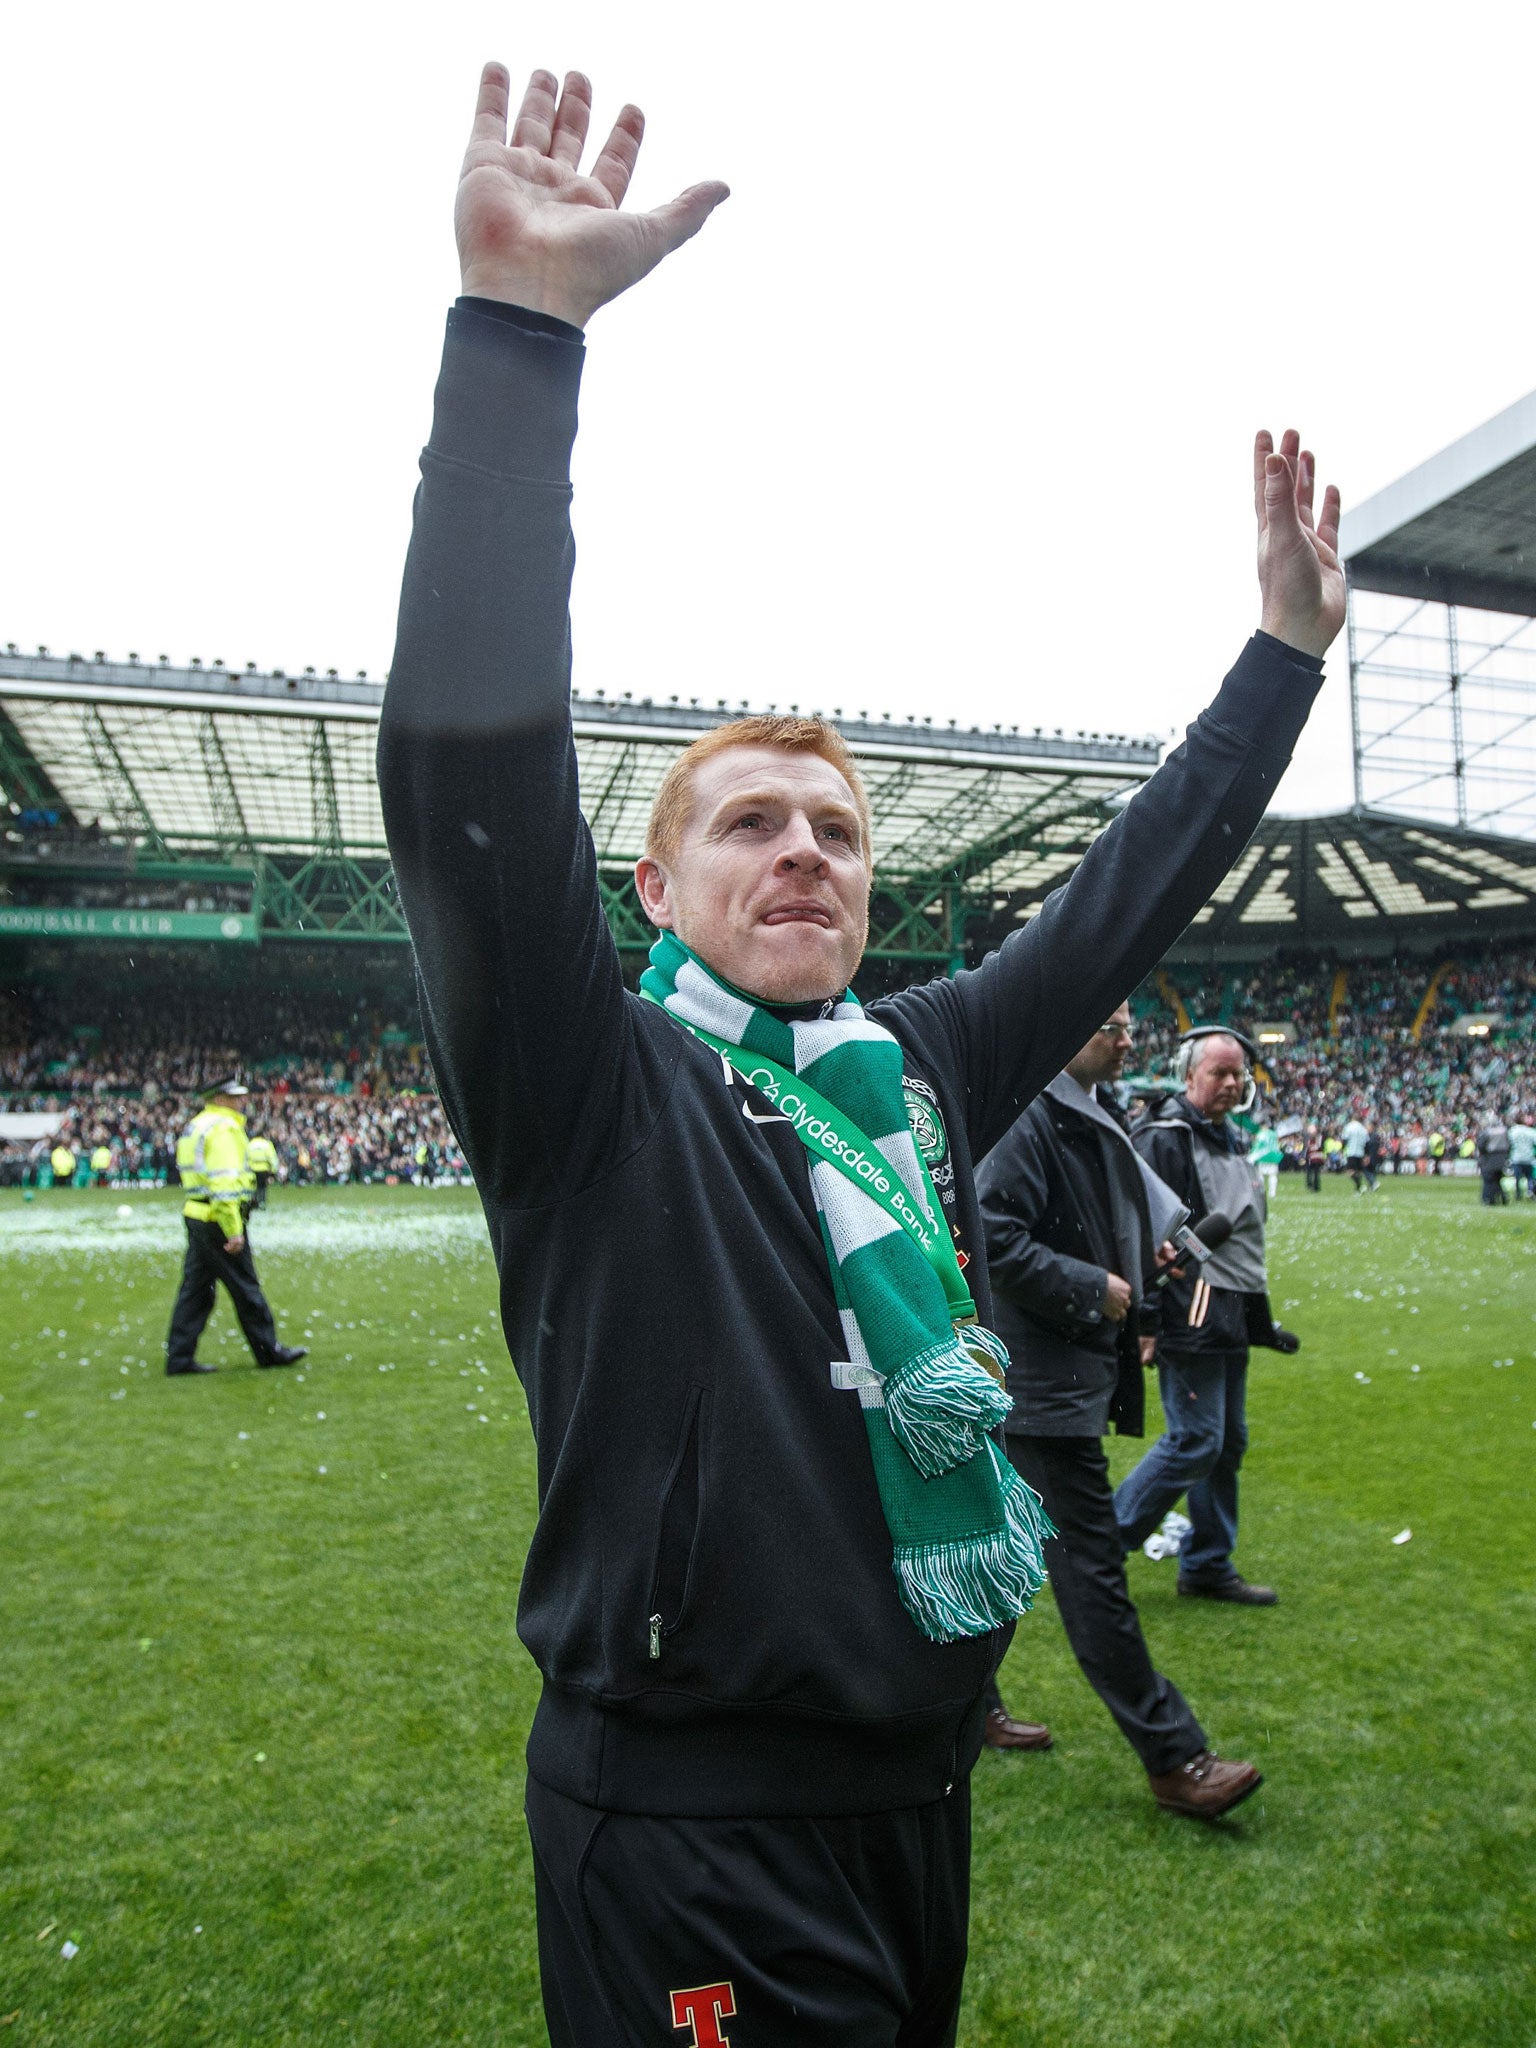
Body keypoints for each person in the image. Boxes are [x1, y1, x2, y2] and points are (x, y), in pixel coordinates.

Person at [376, 61, 1342, 2044]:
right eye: (749, 823)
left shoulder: (913, 1066)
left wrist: (1281, 658)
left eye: (834, 830)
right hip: (688, 1812)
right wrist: (517, 341)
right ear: (652, 889)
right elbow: (465, 775)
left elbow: (1123, 901)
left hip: (914, 1788)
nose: (803, 849)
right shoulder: (587, 1078)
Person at [977, 1005, 1261, 1819]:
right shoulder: (1030, 1112)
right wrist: (1094, 1288)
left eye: (1131, 1022)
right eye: (1107, 1019)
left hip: (1047, 1374)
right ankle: (1175, 1757)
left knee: (1005, 1551)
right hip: (1038, 1381)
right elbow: (992, 1232)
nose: (1126, 1034)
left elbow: (1085, 1225)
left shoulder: (1086, 1107)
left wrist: (1141, 1259)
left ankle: (967, 1707)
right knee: (1093, 1570)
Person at [1114, 1029, 1299, 1606]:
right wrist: (1146, 1319)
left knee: (1228, 1441)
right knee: (1197, 1439)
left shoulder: (1232, 1137)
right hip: (1189, 1304)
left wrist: (1261, 1323)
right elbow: (1141, 1235)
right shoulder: (1164, 1137)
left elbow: (1238, 1233)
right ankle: (1099, 1544)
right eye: (1219, 1072)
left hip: (1232, 1308)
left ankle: (1207, 1563)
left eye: (1239, 1073)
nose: (1232, 1083)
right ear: (1188, 1075)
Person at [164, 1079, 308, 1377]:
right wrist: (233, 1229)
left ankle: (178, 1358)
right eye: (236, 1097)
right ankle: (269, 1351)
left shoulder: (198, 1125)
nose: (243, 1101)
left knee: (196, 1291)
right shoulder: (225, 1129)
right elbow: (225, 1183)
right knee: (245, 1288)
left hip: (196, 1213)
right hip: (218, 1218)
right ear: (220, 1098)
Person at [1476, 1115, 1510, 1206]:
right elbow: (1509, 1144)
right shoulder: (1504, 1131)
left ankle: (1488, 1199)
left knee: (1488, 1180)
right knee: (1497, 1180)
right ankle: (1503, 1197)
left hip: (1489, 1158)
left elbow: (1481, 1145)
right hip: (1501, 1159)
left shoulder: (1487, 1132)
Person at [245, 1130, 279, 1210]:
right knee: (262, 1187)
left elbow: (246, 1157)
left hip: (252, 1169)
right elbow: (272, 1158)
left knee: (253, 1187)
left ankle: (253, 1202)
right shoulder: (267, 1144)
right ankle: (262, 1202)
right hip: (264, 1169)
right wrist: (273, 1170)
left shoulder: (250, 1144)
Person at [1250, 1121, 1282, 1202]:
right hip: (1273, 1156)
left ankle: (1261, 1192)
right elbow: (1277, 1145)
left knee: (1261, 1175)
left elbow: (1257, 1145)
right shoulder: (1273, 1134)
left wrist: (1252, 1155)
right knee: (1273, 1175)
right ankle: (1272, 1193)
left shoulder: (1261, 1134)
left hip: (1263, 1156)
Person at [1341, 1110, 1371, 1192]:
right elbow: (1367, 1142)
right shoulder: (1363, 1128)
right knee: (1358, 1171)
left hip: (1351, 1151)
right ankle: (1358, 1189)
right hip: (1360, 1152)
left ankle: (1360, 1186)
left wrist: (1342, 1149)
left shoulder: (1349, 1127)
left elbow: (1344, 1139)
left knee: (1350, 1171)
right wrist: (1367, 1154)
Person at [1508, 1112, 1535, 1199]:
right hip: (1528, 1157)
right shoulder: (1530, 1131)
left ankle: (1518, 1193)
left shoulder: (1512, 1131)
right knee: (1529, 1177)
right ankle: (1530, 1191)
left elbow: (1509, 1143)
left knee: (1517, 1177)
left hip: (1516, 1157)